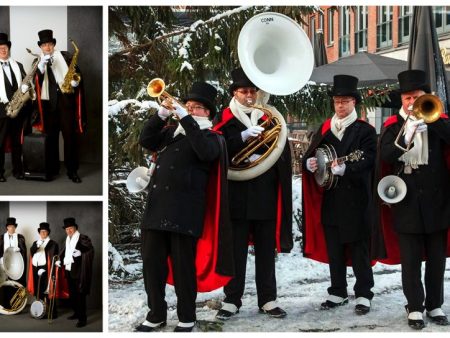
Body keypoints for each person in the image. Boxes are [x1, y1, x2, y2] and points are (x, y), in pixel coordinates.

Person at [136, 82, 233, 332]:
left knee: (183, 269)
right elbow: (146, 139)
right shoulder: (171, 132)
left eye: (197, 108)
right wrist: (162, 115)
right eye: (188, 106)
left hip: (184, 213)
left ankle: (186, 316)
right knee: (152, 265)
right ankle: (156, 314)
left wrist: (187, 119)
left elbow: (205, 153)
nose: (190, 110)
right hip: (156, 210)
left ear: (208, 114)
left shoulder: (213, 137)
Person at [213, 68, 292, 320]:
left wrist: (263, 153)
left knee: (266, 252)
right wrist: (242, 137)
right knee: (235, 251)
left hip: (265, 195)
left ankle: (267, 299)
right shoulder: (225, 119)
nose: (249, 95)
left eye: (252, 91)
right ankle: (231, 299)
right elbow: (216, 148)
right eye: (243, 91)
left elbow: (281, 149)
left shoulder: (269, 118)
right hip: (236, 195)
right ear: (234, 93)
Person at [377, 69, 450, 329]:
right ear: (402, 100)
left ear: (426, 97)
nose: (411, 103)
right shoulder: (392, 126)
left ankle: (435, 304)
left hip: (437, 201)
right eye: (407, 98)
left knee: (436, 259)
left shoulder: (438, 120)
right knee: (410, 259)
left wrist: (435, 122)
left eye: (416, 97)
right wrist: (406, 135)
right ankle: (415, 307)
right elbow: (385, 157)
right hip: (406, 202)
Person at [302, 75, 376, 315]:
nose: (340, 106)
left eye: (345, 101)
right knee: (334, 249)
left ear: (354, 102)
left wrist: (349, 168)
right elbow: (309, 156)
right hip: (331, 200)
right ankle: (338, 291)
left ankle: (364, 293)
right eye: (337, 101)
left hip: (356, 200)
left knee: (359, 250)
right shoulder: (325, 129)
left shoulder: (364, 130)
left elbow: (369, 158)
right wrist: (310, 163)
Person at [33, 29, 86, 183]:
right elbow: (35, 80)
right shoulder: (38, 61)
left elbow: (77, 74)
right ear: (41, 47)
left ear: (53, 44)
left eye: (49, 44)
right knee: (50, 139)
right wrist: (42, 66)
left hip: (66, 102)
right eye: (44, 45)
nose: (47, 47)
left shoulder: (65, 57)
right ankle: (52, 169)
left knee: (70, 138)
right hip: (48, 105)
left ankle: (72, 170)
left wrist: (76, 82)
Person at [0, 32, 31, 182]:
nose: (3, 50)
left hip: (17, 109)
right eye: (0, 48)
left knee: (16, 142)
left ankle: (17, 169)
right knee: (0, 141)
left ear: (8, 48)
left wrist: (26, 88)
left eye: (4, 47)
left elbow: (26, 82)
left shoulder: (17, 65)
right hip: (1, 110)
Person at [58, 217, 94, 328]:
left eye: (71, 228)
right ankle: (76, 313)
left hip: (79, 272)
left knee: (80, 296)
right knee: (73, 295)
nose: (69, 231)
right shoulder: (68, 239)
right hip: (69, 271)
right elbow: (65, 253)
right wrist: (60, 260)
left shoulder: (82, 238)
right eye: (67, 229)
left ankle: (82, 319)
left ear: (75, 228)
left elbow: (90, 250)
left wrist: (81, 252)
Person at [27, 222, 59, 319]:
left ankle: (52, 313)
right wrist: (37, 245)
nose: (43, 233)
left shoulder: (53, 243)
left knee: (48, 291)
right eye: (41, 232)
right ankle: (42, 311)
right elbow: (31, 251)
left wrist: (45, 268)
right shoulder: (35, 243)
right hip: (36, 269)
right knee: (39, 292)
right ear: (39, 232)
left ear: (48, 232)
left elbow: (54, 257)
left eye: (45, 231)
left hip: (46, 269)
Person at [0, 217, 27, 286]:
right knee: (4, 284)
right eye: (9, 227)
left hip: (15, 265)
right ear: (7, 227)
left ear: (15, 228)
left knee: (15, 285)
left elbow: (24, 252)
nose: (11, 228)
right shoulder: (2, 237)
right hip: (3, 264)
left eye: (13, 227)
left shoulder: (20, 237)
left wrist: (20, 250)